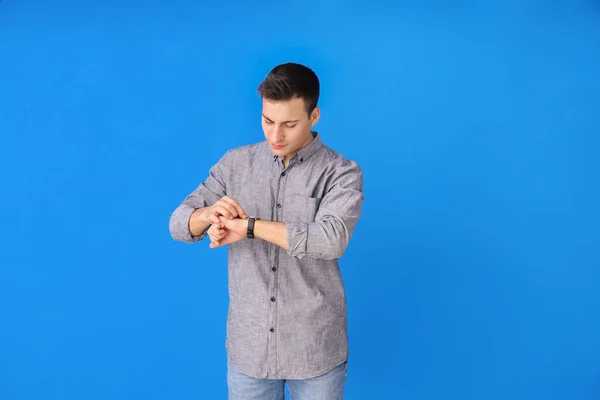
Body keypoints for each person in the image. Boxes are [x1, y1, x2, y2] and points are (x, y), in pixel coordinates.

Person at [168, 62, 364, 400]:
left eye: (289, 124)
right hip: (250, 351)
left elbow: (331, 240)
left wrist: (250, 228)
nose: (275, 135)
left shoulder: (341, 172)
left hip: (314, 348)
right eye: (268, 121)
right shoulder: (234, 164)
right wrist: (208, 214)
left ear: (313, 116)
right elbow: (178, 224)